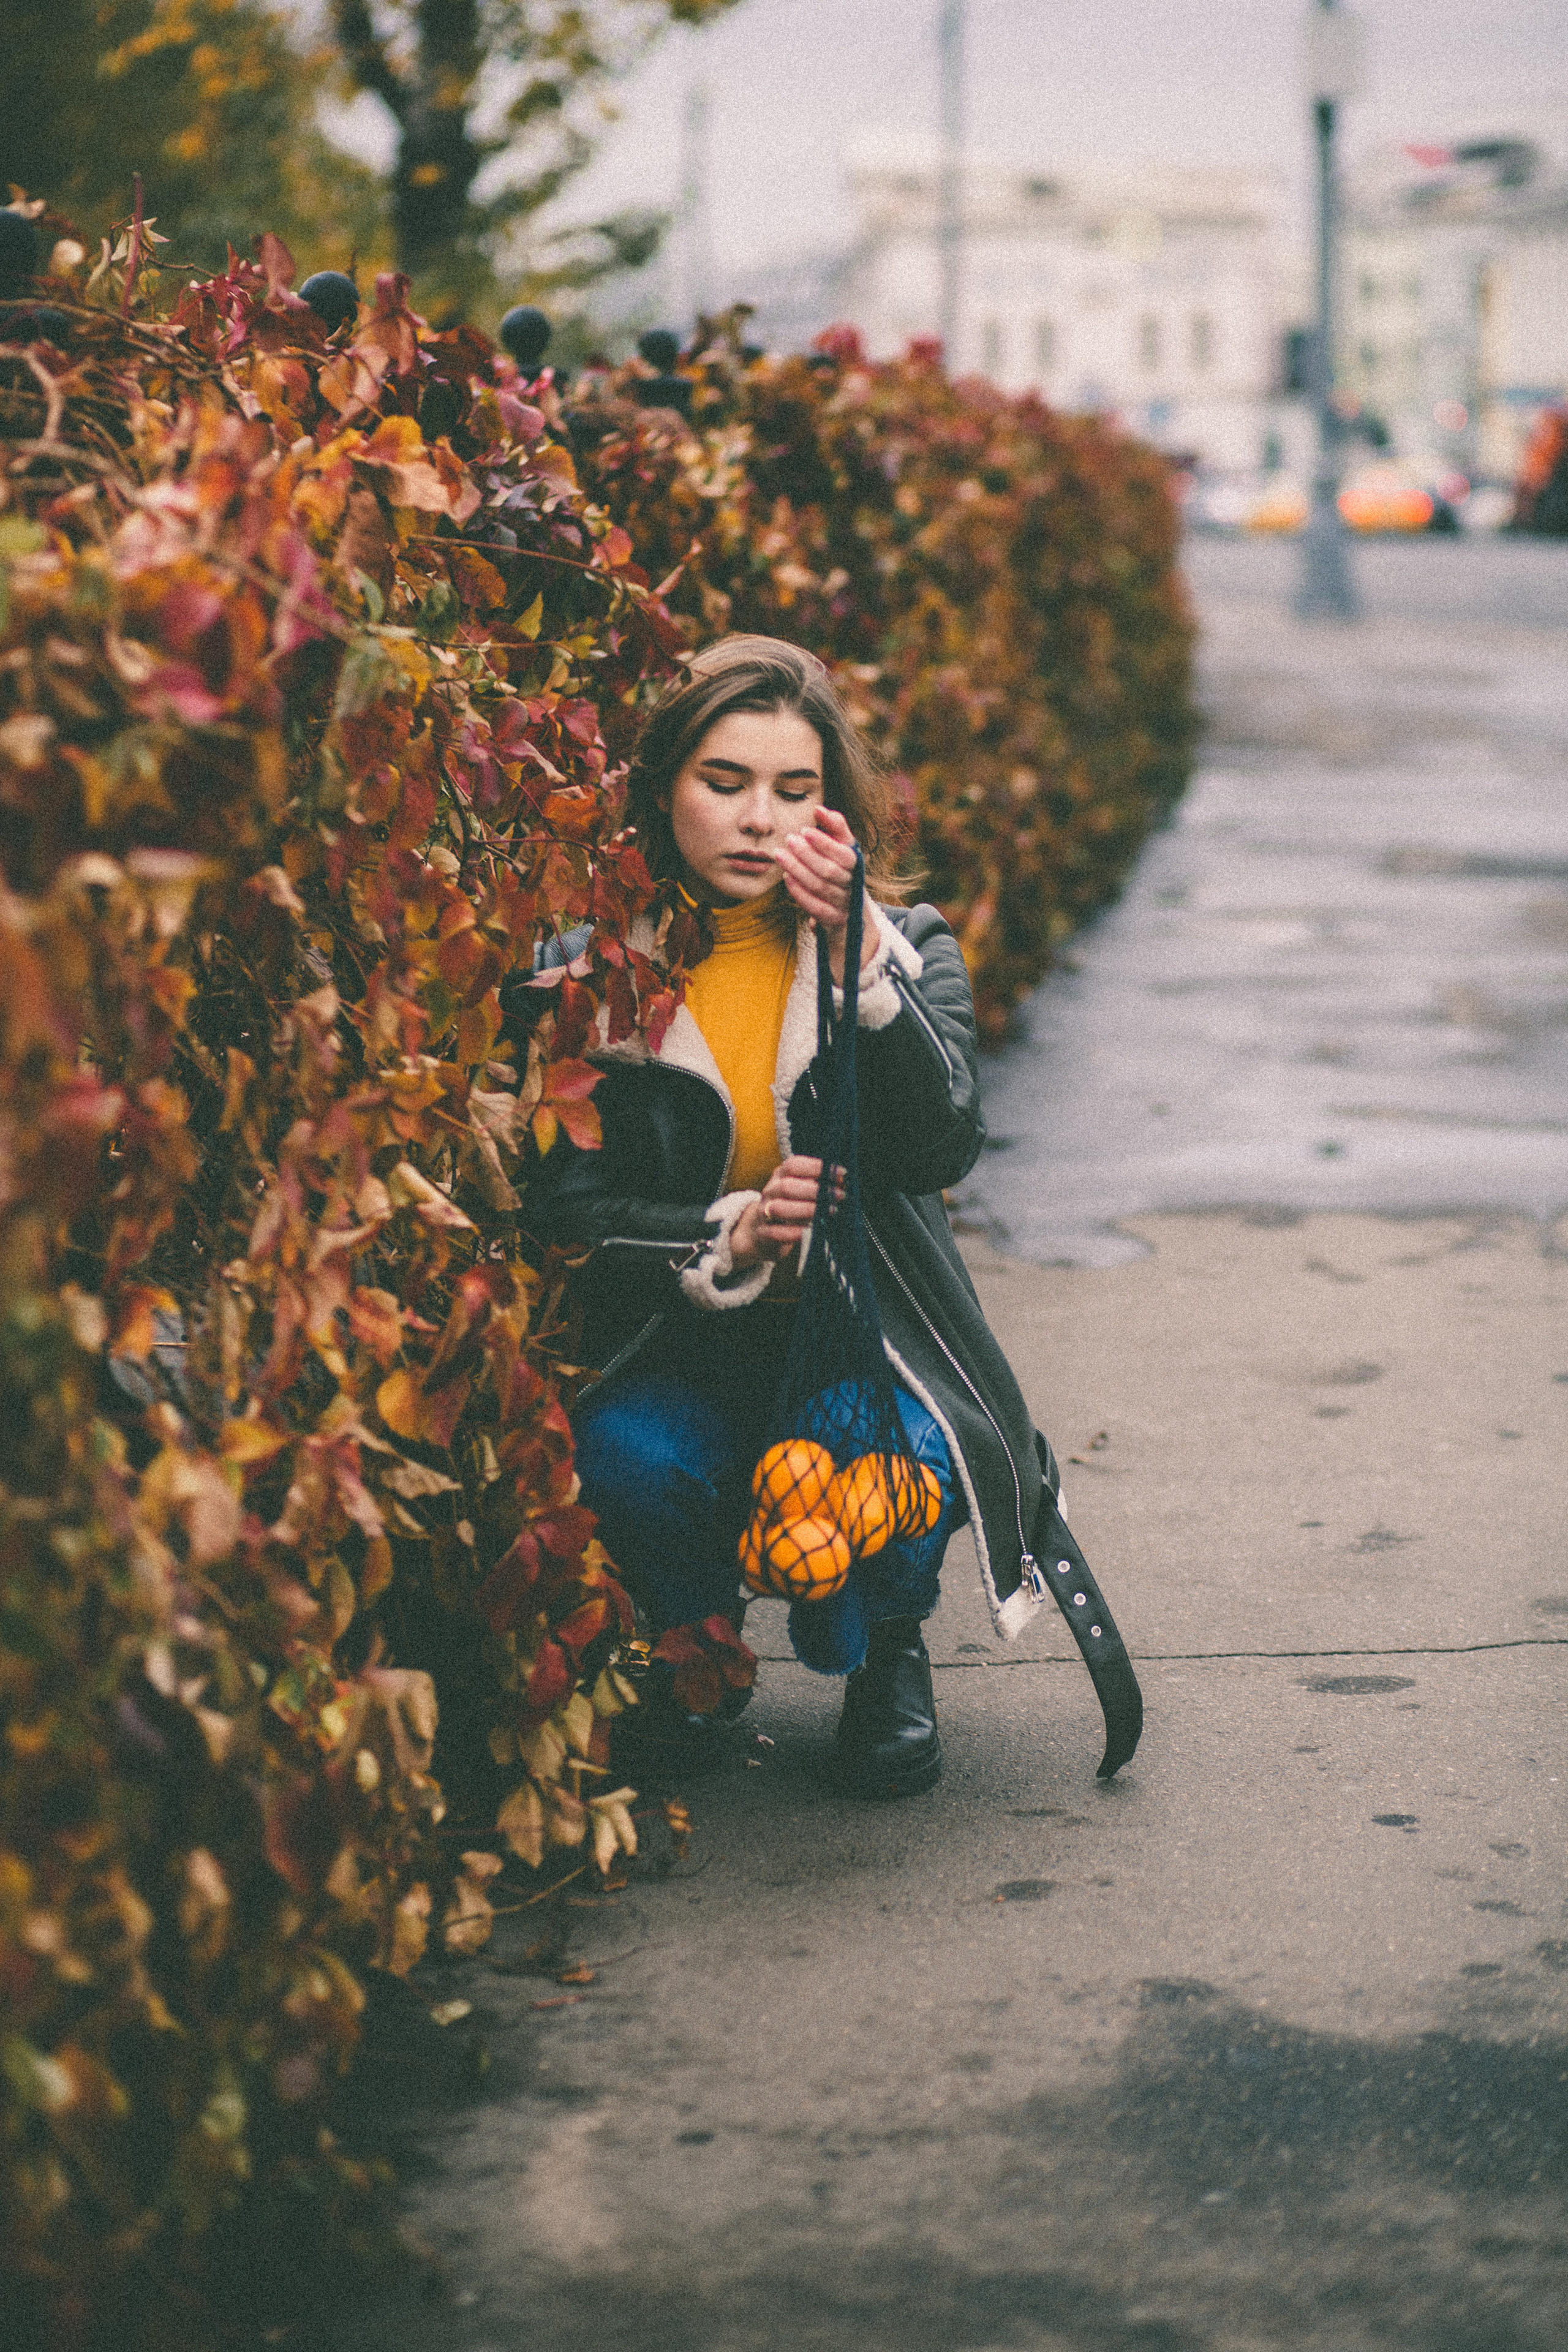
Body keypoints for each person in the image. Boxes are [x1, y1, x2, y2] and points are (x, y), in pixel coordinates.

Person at [522, 635, 1083, 1799]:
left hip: (866, 1342)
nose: (758, 821)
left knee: (905, 1465)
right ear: (662, 786)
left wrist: (855, 967)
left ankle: (886, 1653)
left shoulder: (903, 948)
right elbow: (566, 1207)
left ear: (837, 810)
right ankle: (691, 1649)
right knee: (630, 1457)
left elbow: (942, 1145)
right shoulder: (591, 971)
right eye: (723, 784)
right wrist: (728, 1232)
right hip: (673, 1342)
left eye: (795, 791)